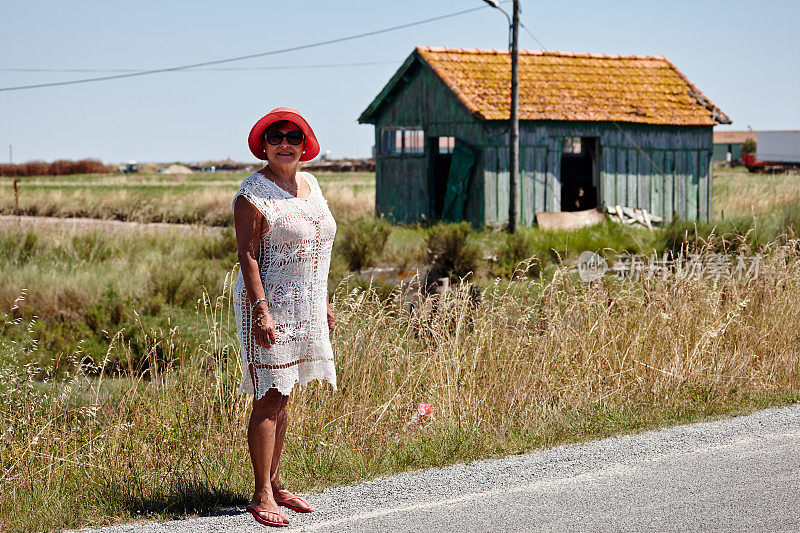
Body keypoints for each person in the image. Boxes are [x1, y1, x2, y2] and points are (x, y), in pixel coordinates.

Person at [232, 107, 337, 527]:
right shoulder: (252, 195)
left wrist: (324, 302)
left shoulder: (310, 184)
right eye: (275, 137)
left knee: (286, 389)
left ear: (304, 144)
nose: (285, 144)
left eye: (293, 136)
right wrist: (261, 310)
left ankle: (276, 484)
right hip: (268, 306)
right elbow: (248, 256)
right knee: (268, 394)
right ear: (263, 145)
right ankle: (260, 495)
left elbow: (317, 248)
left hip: (306, 302)